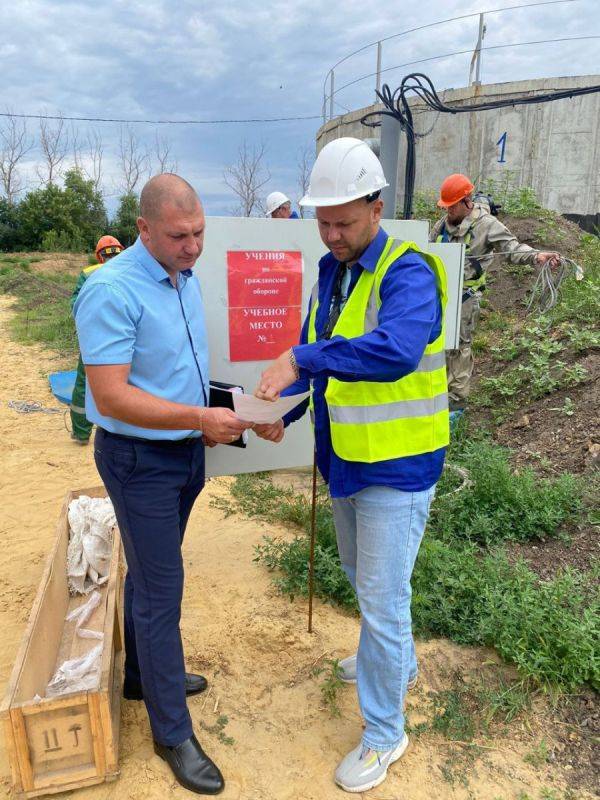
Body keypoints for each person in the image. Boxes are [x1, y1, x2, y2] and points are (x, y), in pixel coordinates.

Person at [253, 138, 449, 793]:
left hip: (399, 466)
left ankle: (384, 734)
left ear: (377, 205)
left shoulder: (410, 271)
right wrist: (289, 407)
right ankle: (397, 663)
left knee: (382, 599)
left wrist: (302, 363)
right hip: (345, 459)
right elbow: (321, 349)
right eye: (323, 221)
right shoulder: (331, 271)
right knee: (362, 580)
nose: (332, 234)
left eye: (345, 221)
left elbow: (393, 351)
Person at [74, 173, 252, 796]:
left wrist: (232, 412)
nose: (193, 246)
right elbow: (111, 393)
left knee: (153, 574)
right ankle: (170, 730)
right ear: (144, 230)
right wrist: (199, 418)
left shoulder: (183, 277)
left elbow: (181, 369)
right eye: (179, 236)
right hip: (138, 461)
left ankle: (144, 677)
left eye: (199, 232)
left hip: (183, 454)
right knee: (161, 587)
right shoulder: (110, 289)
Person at [430, 173, 560, 412]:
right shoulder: (442, 225)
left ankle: (456, 402)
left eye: (451, 206)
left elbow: (511, 248)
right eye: (445, 206)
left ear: (466, 201)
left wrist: (536, 256)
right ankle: (437, 391)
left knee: (458, 346)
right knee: (436, 343)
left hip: (465, 298)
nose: (447, 211)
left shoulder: (487, 225)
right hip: (438, 296)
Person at [69, 235, 124, 444]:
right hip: (127, 337)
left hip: (95, 339)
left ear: (99, 256)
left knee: (85, 382)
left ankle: (82, 433)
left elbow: (76, 305)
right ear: (121, 251)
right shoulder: (133, 270)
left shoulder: (88, 273)